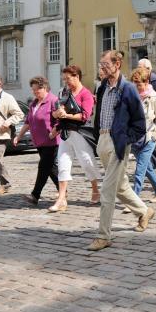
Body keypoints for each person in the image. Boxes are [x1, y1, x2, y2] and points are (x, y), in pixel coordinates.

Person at [88, 50, 155, 251]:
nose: (102, 68)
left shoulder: (128, 89)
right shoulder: (101, 88)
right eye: (101, 65)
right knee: (120, 186)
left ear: (117, 64)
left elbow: (139, 123)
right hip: (102, 139)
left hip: (118, 143)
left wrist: (126, 140)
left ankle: (103, 236)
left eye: (105, 64)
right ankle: (144, 211)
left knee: (107, 189)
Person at [49, 65, 101, 211]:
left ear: (77, 76)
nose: (66, 82)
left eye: (68, 79)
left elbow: (85, 115)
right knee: (63, 163)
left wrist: (67, 115)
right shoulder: (64, 93)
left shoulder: (86, 94)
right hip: (65, 134)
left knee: (87, 162)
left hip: (80, 133)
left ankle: (96, 189)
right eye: (64, 79)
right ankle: (61, 199)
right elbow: (56, 112)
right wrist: (56, 118)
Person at [12, 76, 60, 206]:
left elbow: (60, 121)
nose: (34, 92)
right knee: (50, 168)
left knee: (43, 167)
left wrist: (53, 133)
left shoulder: (53, 101)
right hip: (39, 142)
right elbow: (28, 122)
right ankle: (62, 190)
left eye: (36, 90)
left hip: (51, 141)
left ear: (44, 88)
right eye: (33, 90)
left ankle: (35, 195)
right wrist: (18, 136)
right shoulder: (34, 103)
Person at [130, 67, 156, 202]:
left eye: (138, 83)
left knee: (139, 171)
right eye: (134, 83)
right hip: (134, 139)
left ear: (146, 82)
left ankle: (134, 201)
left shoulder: (155, 98)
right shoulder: (132, 96)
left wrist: (154, 136)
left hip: (147, 139)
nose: (136, 86)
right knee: (147, 168)